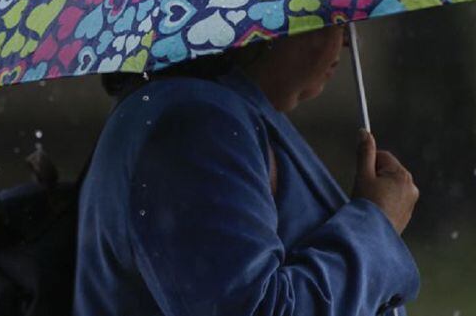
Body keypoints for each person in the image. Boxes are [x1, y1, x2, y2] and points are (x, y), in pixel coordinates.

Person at [73, 23, 421, 315]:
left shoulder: (207, 110)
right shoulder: (196, 125)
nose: (346, 40)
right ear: (270, 21)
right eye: (328, 15)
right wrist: (377, 225)